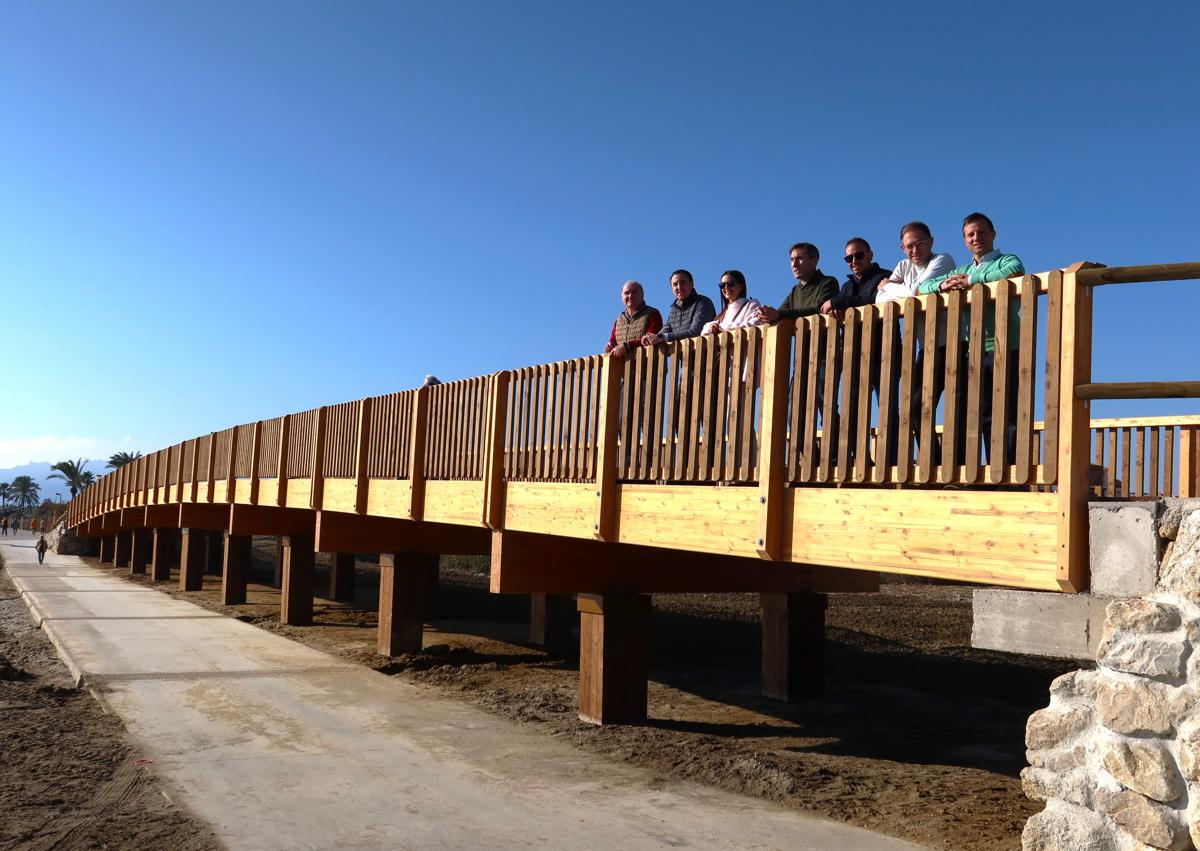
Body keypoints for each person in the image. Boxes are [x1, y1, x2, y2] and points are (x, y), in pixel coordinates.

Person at [918, 212, 1024, 464]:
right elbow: (924, 287)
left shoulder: (1004, 260)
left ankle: (1005, 474)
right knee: (973, 411)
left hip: (1005, 345)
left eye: (981, 232)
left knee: (1005, 412)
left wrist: (972, 280)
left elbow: (1014, 271)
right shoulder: (960, 270)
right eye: (970, 234)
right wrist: (943, 286)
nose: (976, 237)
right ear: (965, 240)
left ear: (993, 235)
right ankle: (970, 472)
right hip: (972, 349)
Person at [877, 222, 957, 459]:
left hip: (951, 344)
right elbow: (881, 298)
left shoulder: (942, 260)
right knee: (913, 409)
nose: (915, 249)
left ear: (931, 241)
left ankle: (937, 463)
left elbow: (918, 290)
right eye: (909, 245)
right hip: (926, 347)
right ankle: (932, 463)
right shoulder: (903, 266)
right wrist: (901, 288)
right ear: (902, 247)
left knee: (934, 407)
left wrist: (893, 286)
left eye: (920, 243)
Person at [821, 238, 896, 466]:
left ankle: (891, 460)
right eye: (849, 258)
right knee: (852, 407)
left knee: (887, 406)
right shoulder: (847, 285)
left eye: (858, 256)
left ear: (870, 254)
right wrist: (839, 306)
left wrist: (838, 301)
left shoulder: (886, 276)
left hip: (883, 350)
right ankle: (860, 459)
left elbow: (873, 299)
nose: (853, 261)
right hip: (854, 353)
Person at [642, 270, 715, 346]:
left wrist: (663, 337)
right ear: (672, 288)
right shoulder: (674, 309)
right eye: (675, 284)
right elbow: (666, 330)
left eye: (683, 282)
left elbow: (695, 332)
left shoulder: (703, 303)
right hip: (683, 357)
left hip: (705, 355)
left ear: (692, 284)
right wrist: (650, 338)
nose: (679, 287)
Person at [605, 280, 662, 358]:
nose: (630, 296)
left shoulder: (653, 314)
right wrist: (610, 345)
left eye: (634, 292)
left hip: (647, 367)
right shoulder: (619, 320)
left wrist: (627, 345)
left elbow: (650, 339)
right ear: (622, 297)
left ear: (642, 295)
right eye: (626, 293)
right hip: (622, 368)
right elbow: (613, 340)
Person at [701, 270, 766, 335]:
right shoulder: (722, 314)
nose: (726, 287)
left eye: (730, 284)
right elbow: (704, 331)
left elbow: (755, 323)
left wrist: (720, 327)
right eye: (722, 285)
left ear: (741, 286)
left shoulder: (751, 304)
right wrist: (709, 327)